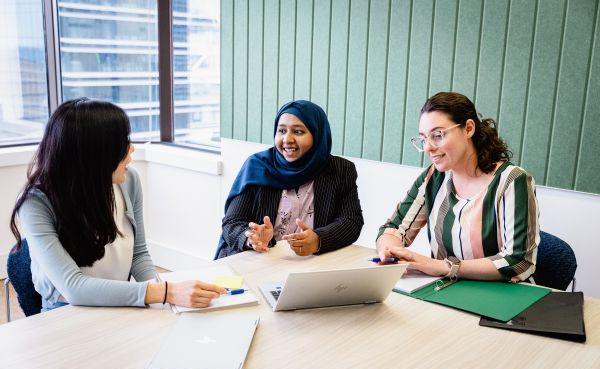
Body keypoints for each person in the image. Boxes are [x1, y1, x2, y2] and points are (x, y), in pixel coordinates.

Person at [10, 98, 226, 311]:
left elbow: (139, 254)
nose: (131, 148)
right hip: (65, 311)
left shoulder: (129, 181)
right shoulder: (35, 203)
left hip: (120, 303)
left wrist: (165, 300)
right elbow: (73, 287)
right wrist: (166, 292)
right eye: (122, 142)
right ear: (94, 154)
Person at [376, 92, 539, 282]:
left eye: (438, 135)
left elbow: (519, 261)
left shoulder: (512, 180)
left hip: (501, 297)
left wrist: (443, 267)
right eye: (423, 138)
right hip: (443, 290)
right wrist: (389, 252)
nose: (428, 147)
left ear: (469, 128)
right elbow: (393, 228)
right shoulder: (434, 177)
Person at [216, 100, 364, 259]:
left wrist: (318, 239)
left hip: (310, 264)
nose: (287, 139)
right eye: (281, 131)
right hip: (257, 261)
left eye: (298, 132)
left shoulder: (340, 170)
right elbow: (232, 223)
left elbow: (351, 221)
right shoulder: (257, 166)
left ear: (318, 134)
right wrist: (251, 238)